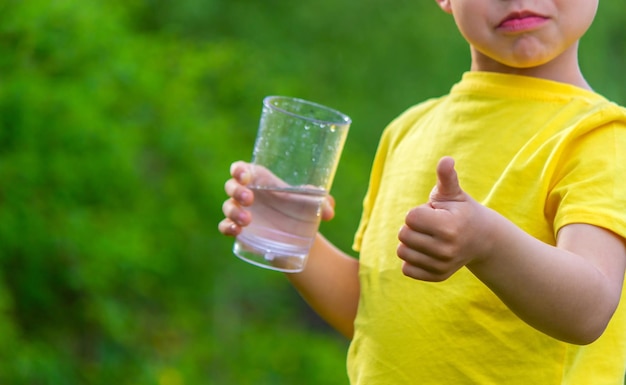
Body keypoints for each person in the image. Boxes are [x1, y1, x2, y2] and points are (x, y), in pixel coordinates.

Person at [219, 0, 626, 383]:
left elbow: (588, 310)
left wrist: (486, 242)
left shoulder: (600, 136)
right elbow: (374, 313)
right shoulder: (407, 130)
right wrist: (290, 236)